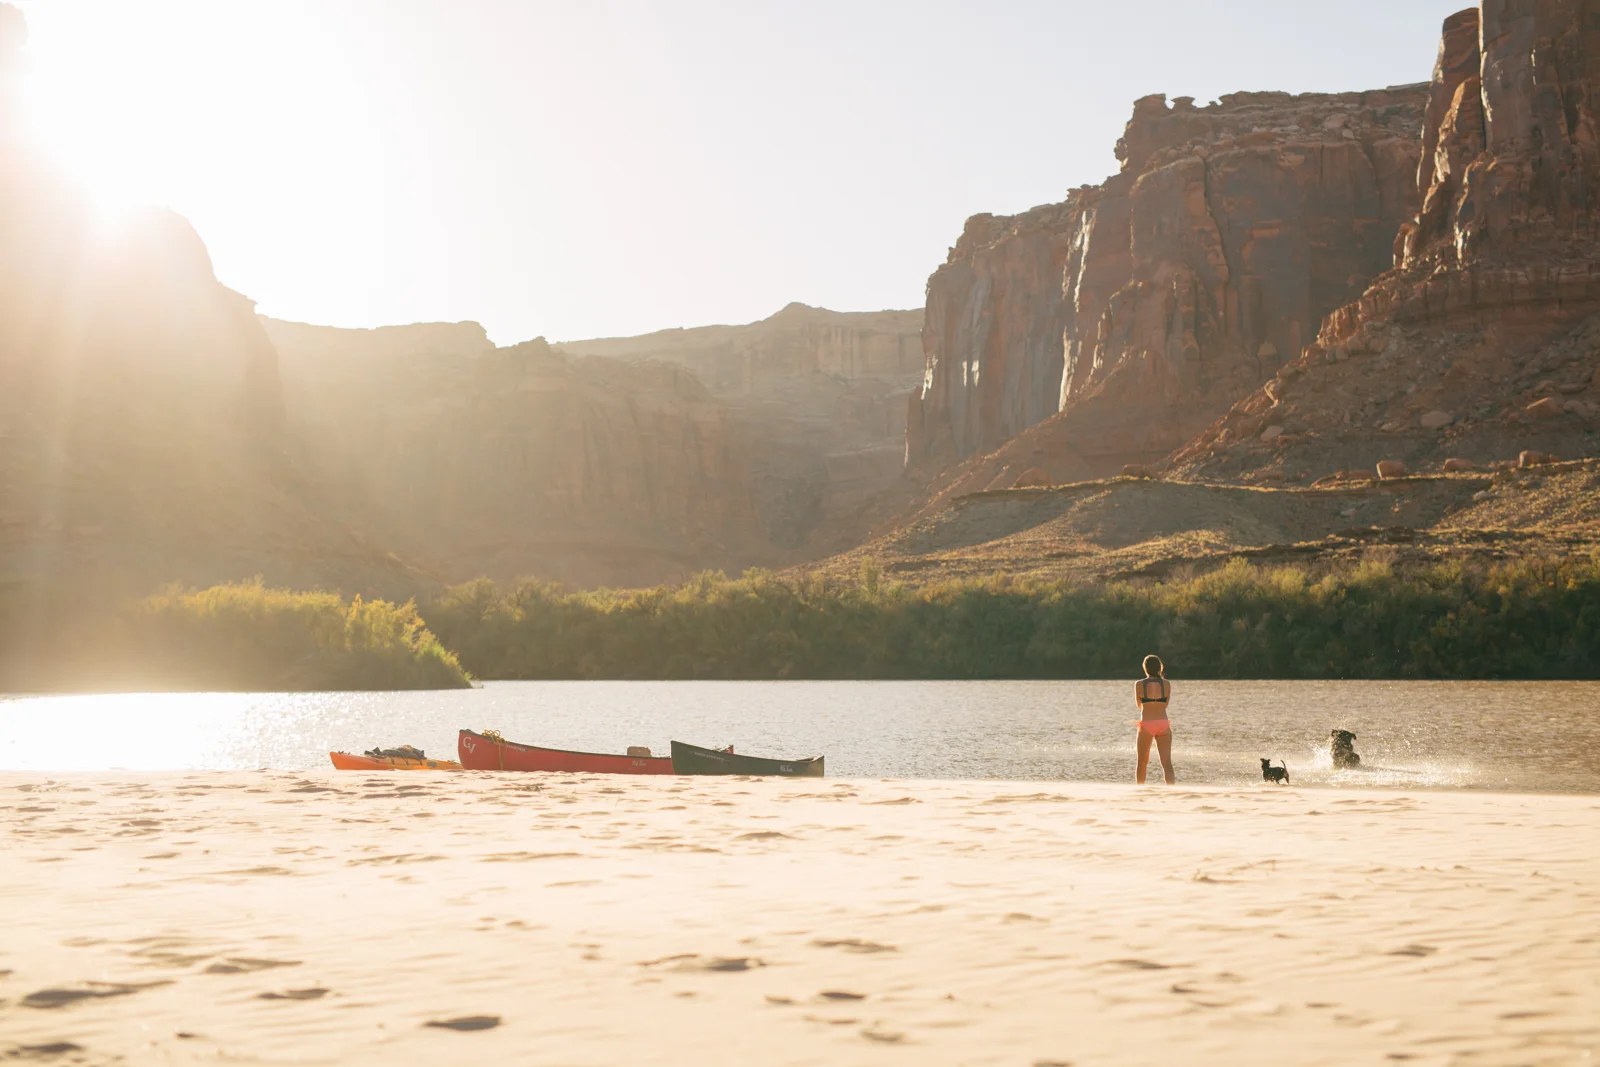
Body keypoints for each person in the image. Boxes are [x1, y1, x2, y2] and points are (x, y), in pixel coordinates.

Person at [1134, 654, 1175, 785]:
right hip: (1163, 724)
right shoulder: (1167, 684)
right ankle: (1173, 792)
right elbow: (1166, 704)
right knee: (1167, 763)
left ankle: (1139, 791)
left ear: (1145, 668)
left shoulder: (1139, 684)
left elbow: (1139, 705)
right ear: (1159, 667)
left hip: (1146, 724)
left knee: (1142, 763)